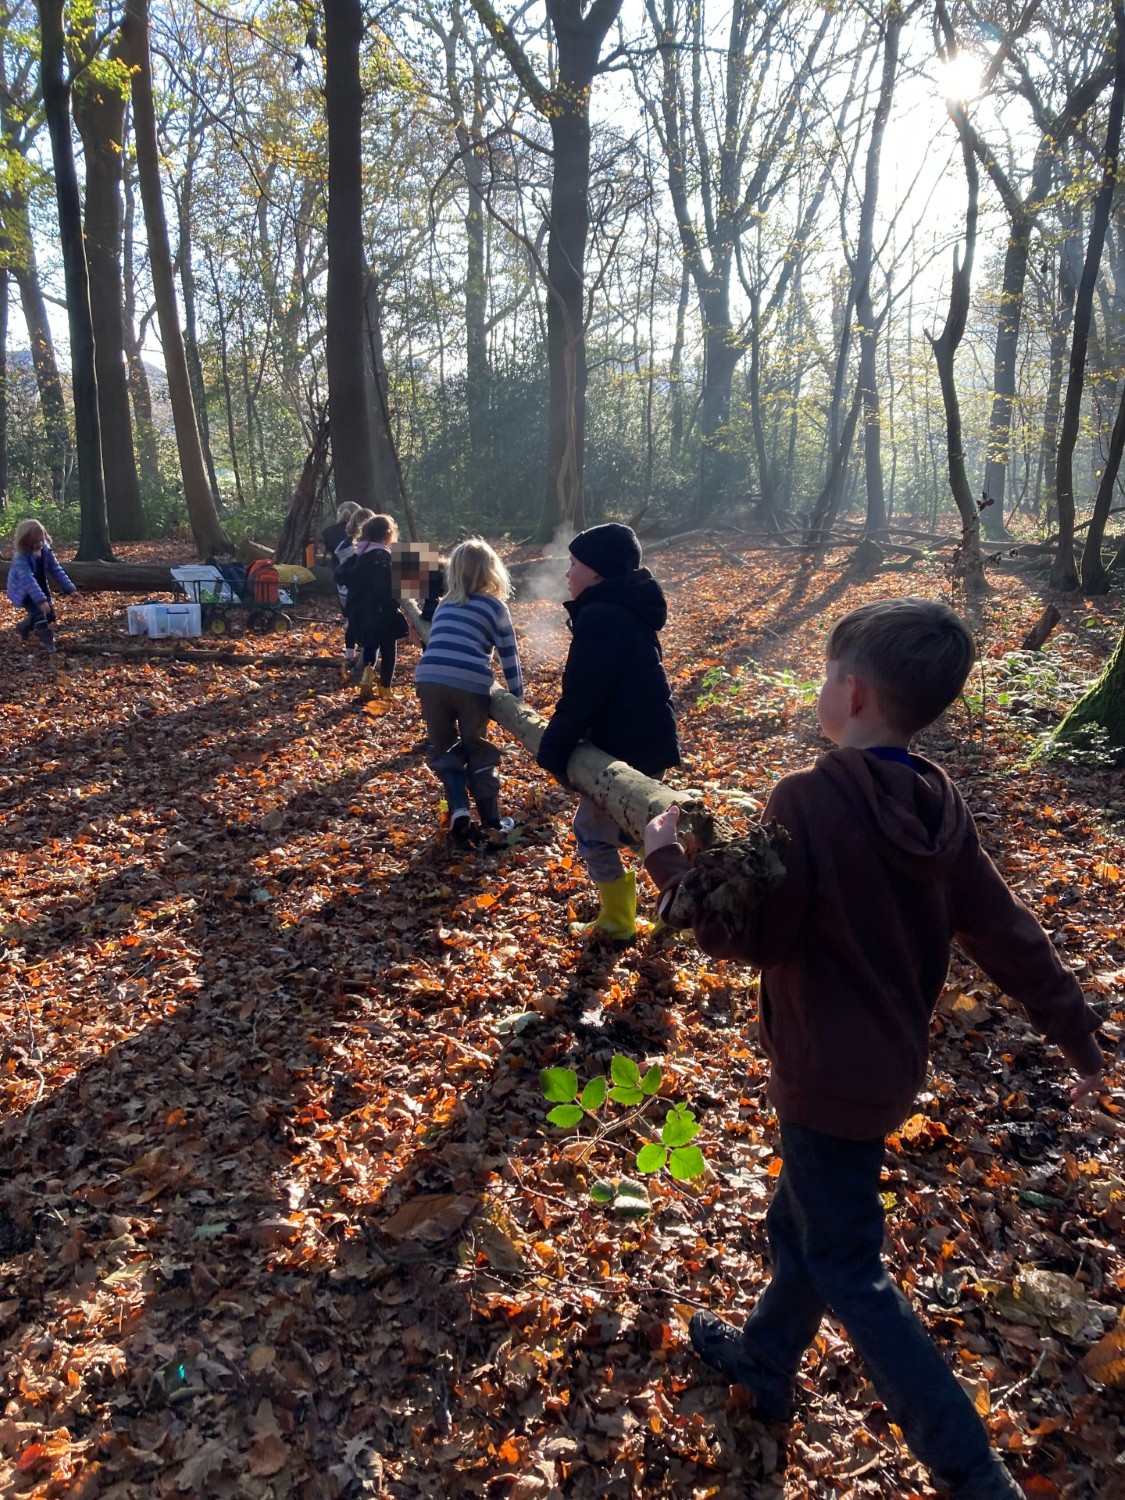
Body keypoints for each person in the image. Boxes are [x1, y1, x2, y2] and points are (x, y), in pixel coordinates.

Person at [643, 597, 1104, 1500]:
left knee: (850, 1268)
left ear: (850, 693)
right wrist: (1075, 1030)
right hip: (887, 1069)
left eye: (824, 675)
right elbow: (1002, 929)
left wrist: (668, 860)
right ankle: (767, 1359)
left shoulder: (807, 799)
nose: (821, 689)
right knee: (804, 1221)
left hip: (824, 1075)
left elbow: (751, 935)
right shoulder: (936, 802)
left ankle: (971, 1474)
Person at [537, 523, 680, 942]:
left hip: (623, 748)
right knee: (637, 827)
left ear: (596, 572)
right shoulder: (627, 609)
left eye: (574, 564)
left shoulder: (600, 616)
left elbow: (583, 693)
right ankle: (677, 898)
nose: (567, 573)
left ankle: (619, 920)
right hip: (648, 740)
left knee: (593, 832)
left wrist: (554, 749)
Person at [415, 538, 523, 840]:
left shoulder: (445, 605)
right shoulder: (495, 606)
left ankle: (459, 809)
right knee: (477, 747)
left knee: (444, 746)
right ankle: (491, 820)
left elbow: (438, 644)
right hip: (470, 681)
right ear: (492, 572)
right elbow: (508, 654)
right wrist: (517, 697)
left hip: (428, 678)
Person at [337, 514, 408, 703]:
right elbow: (384, 588)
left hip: (361, 613)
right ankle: (385, 687)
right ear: (389, 535)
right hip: (381, 613)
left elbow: (341, 576)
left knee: (370, 647)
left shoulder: (358, 554)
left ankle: (366, 684)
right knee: (389, 650)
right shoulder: (383, 557)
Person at [6, 519, 77, 654]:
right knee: (40, 615)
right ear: (26, 542)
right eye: (34, 542)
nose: (39, 544)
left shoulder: (45, 550)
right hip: (24, 589)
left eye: (41, 539)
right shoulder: (21, 558)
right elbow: (28, 580)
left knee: (50, 615)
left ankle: (24, 626)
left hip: (40, 584)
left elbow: (56, 569)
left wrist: (70, 589)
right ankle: (48, 644)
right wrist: (41, 601)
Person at [334, 506, 375, 677]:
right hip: (356, 592)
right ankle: (360, 665)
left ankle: (349, 655)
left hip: (345, 592)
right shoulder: (360, 548)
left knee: (352, 623)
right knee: (366, 626)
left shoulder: (344, 544)